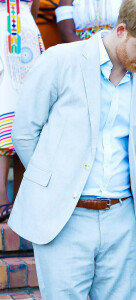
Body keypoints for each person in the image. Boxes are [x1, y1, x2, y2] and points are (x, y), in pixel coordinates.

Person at [8, 0, 136, 298]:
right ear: (121, 29)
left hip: (122, 218)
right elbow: (24, 133)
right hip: (65, 218)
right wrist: (54, 185)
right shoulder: (60, 60)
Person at [0, 0, 45, 222]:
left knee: (27, 112)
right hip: (1, 30)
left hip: (25, 33)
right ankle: (0, 199)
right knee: (3, 105)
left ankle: (21, 199)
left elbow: (33, 7)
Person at [55, 0, 123, 42]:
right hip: (81, 50)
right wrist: (89, 50)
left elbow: (130, 25)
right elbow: (66, 34)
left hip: (117, 47)